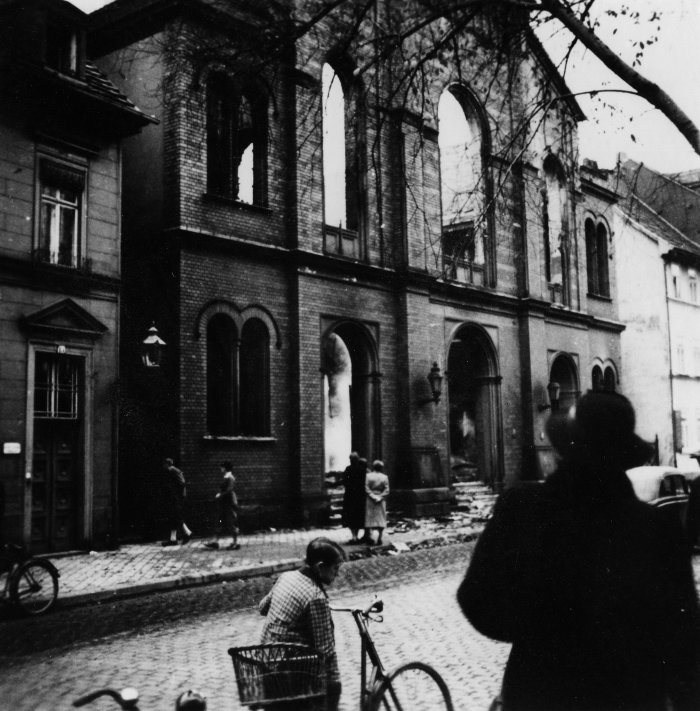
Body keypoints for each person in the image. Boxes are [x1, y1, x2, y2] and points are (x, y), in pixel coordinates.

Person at [457, 390, 700, 711]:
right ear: (622, 457)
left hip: (538, 693)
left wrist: (539, 633)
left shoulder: (523, 509)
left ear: (564, 451)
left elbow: (476, 598)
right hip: (630, 696)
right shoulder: (656, 529)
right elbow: (683, 642)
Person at [259, 537, 346, 710]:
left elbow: (262, 607)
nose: (337, 574)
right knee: (333, 687)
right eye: (335, 568)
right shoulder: (316, 597)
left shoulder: (286, 577)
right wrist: (335, 682)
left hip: (268, 660)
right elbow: (325, 650)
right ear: (320, 567)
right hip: (293, 669)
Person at [205, 461, 240, 550]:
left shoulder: (230, 477)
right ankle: (215, 542)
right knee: (220, 521)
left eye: (222, 467)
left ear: (225, 468)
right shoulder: (226, 477)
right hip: (224, 504)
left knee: (231, 521)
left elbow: (229, 490)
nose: (221, 469)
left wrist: (220, 495)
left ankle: (235, 543)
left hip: (229, 503)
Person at [161, 457, 192, 546]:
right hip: (176, 498)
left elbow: (182, 483)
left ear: (166, 464)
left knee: (176, 516)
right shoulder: (174, 470)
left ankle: (188, 533)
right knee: (174, 517)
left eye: (164, 465)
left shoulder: (171, 470)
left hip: (176, 498)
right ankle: (173, 539)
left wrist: (176, 494)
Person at [341, 452, 366, 544]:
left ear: (350, 460)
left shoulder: (348, 469)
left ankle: (354, 536)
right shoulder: (362, 470)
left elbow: (344, 481)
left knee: (350, 516)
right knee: (358, 516)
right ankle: (357, 536)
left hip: (350, 496)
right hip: (359, 496)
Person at [364, 460, 389, 546]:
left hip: (371, 500)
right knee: (381, 519)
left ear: (373, 467)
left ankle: (370, 537)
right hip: (380, 500)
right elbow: (387, 490)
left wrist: (372, 496)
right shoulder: (384, 477)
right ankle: (379, 537)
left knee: (370, 518)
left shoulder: (368, 476)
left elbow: (366, 488)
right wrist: (380, 497)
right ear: (381, 468)